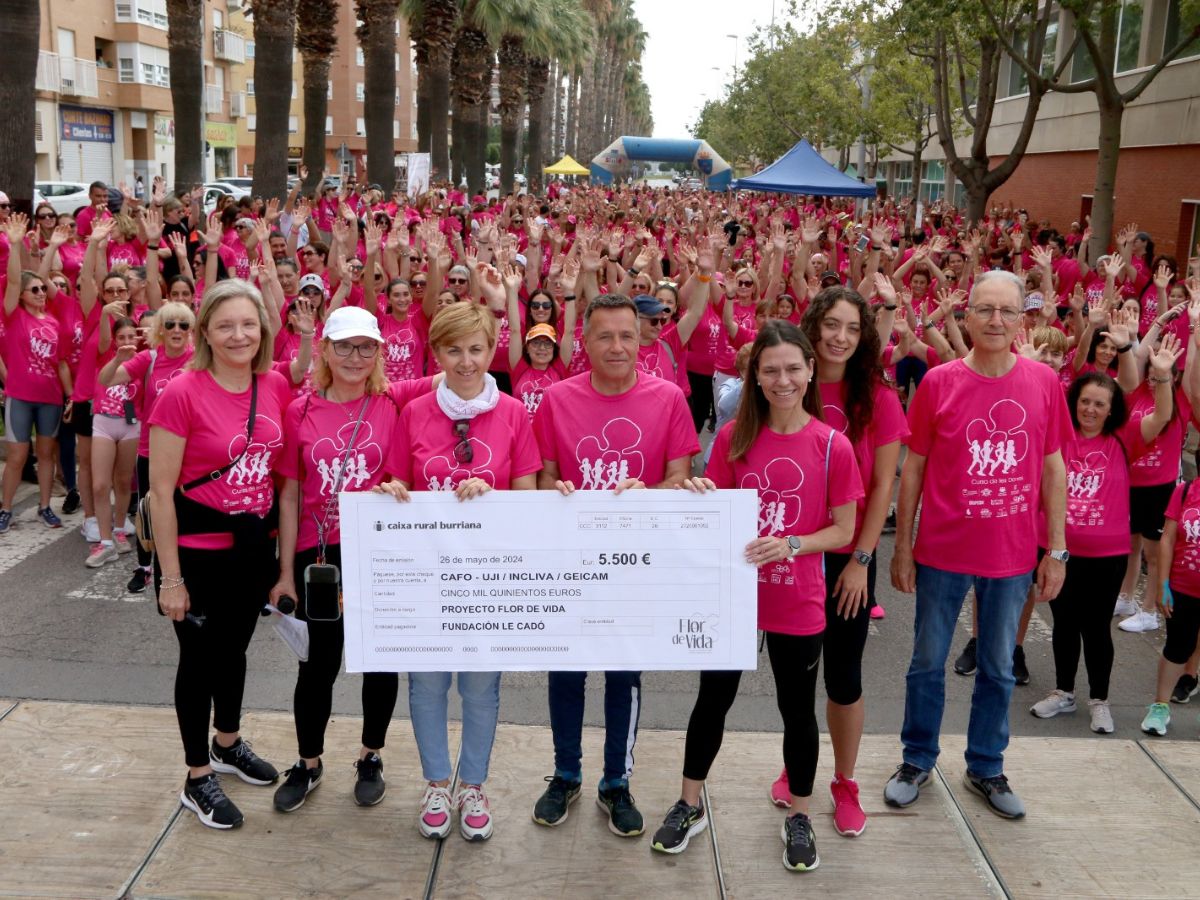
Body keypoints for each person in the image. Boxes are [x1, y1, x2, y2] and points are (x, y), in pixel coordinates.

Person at [650, 321, 862, 872]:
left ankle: (800, 814)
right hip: (737, 596)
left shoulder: (832, 445)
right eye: (771, 370)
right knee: (712, 702)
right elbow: (715, 506)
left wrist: (793, 543)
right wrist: (699, 492)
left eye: (793, 368)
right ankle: (689, 803)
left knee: (797, 711)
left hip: (798, 601)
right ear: (755, 376)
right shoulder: (731, 438)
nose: (783, 379)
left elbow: (844, 529)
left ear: (811, 371)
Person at [888, 270, 1071, 820]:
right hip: (942, 552)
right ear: (966, 316)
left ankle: (986, 766)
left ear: (1023, 319)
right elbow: (913, 468)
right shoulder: (940, 383)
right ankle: (916, 758)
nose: (995, 321)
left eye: (1006, 311)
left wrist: (1056, 549)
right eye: (985, 310)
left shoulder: (1043, 382)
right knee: (926, 663)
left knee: (997, 667)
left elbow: (1053, 467)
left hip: (1012, 556)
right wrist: (903, 546)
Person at [531, 293, 699, 838]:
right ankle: (565, 772)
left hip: (636, 563)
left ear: (642, 336)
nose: (618, 346)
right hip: (571, 557)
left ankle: (615, 781)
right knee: (566, 670)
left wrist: (648, 489)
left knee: (624, 674)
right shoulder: (556, 398)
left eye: (628, 335)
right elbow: (543, 478)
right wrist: (554, 489)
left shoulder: (668, 397)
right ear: (584, 341)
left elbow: (681, 477)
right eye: (605, 336)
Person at [379, 301, 541, 842]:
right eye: (454, 350)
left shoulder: (515, 412)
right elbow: (396, 480)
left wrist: (491, 495)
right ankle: (435, 782)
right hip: (426, 574)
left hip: (488, 575)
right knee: (425, 685)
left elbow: (527, 498)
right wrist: (394, 491)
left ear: (492, 348)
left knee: (479, 688)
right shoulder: (414, 412)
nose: (466, 361)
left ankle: (472, 784)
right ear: (436, 352)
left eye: (476, 349)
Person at [269, 307, 437, 814]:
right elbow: (291, 495)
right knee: (317, 665)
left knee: (380, 661)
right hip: (319, 557)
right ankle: (309, 761)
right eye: (343, 346)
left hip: (381, 549)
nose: (354, 357)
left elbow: (461, 369)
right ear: (324, 349)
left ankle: (371, 755)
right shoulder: (299, 410)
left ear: (380, 352)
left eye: (366, 347)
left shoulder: (394, 401)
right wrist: (284, 572)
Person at [756, 286, 907, 836]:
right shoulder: (793, 382)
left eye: (852, 327)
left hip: (847, 556)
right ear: (813, 327)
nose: (841, 337)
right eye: (831, 326)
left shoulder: (879, 397)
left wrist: (861, 560)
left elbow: (883, 483)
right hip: (787, 552)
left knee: (843, 677)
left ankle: (844, 781)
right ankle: (797, 768)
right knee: (794, 682)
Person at [148, 279, 291, 830]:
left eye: (248, 324)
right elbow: (161, 492)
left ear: (262, 329)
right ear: (205, 330)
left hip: (251, 552)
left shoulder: (273, 383)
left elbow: (280, 476)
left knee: (233, 651)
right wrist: (171, 579)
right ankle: (197, 774)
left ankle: (228, 743)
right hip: (197, 553)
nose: (239, 335)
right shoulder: (182, 392)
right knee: (200, 661)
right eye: (226, 325)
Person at [1028, 345, 1177, 734]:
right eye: (1085, 401)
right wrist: (1031, 364)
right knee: (1063, 622)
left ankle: (1099, 699)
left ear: (1112, 410)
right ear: (1074, 402)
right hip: (1056, 549)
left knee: (1095, 627)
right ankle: (1063, 692)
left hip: (1106, 554)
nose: (1090, 409)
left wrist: (1161, 376)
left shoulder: (1126, 437)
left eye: (1099, 404)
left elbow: (1162, 414)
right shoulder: (1055, 434)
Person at [99, 300, 196, 592]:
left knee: (186, 508)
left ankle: (183, 566)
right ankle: (144, 567)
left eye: (183, 324)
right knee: (148, 508)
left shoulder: (199, 359)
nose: (176, 330)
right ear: (161, 330)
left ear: (191, 330)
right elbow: (105, 381)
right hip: (150, 448)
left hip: (189, 451)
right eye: (170, 324)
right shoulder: (150, 359)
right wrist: (117, 359)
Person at [1, 214, 72, 533]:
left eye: (44, 289)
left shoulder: (54, 321)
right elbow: (15, 280)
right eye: (35, 289)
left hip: (50, 399)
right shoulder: (14, 316)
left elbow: (60, 363)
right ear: (22, 295)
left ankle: (45, 507)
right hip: (20, 397)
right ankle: (5, 509)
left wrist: (69, 395)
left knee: (46, 454)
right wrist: (16, 245)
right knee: (17, 456)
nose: (42, 292)